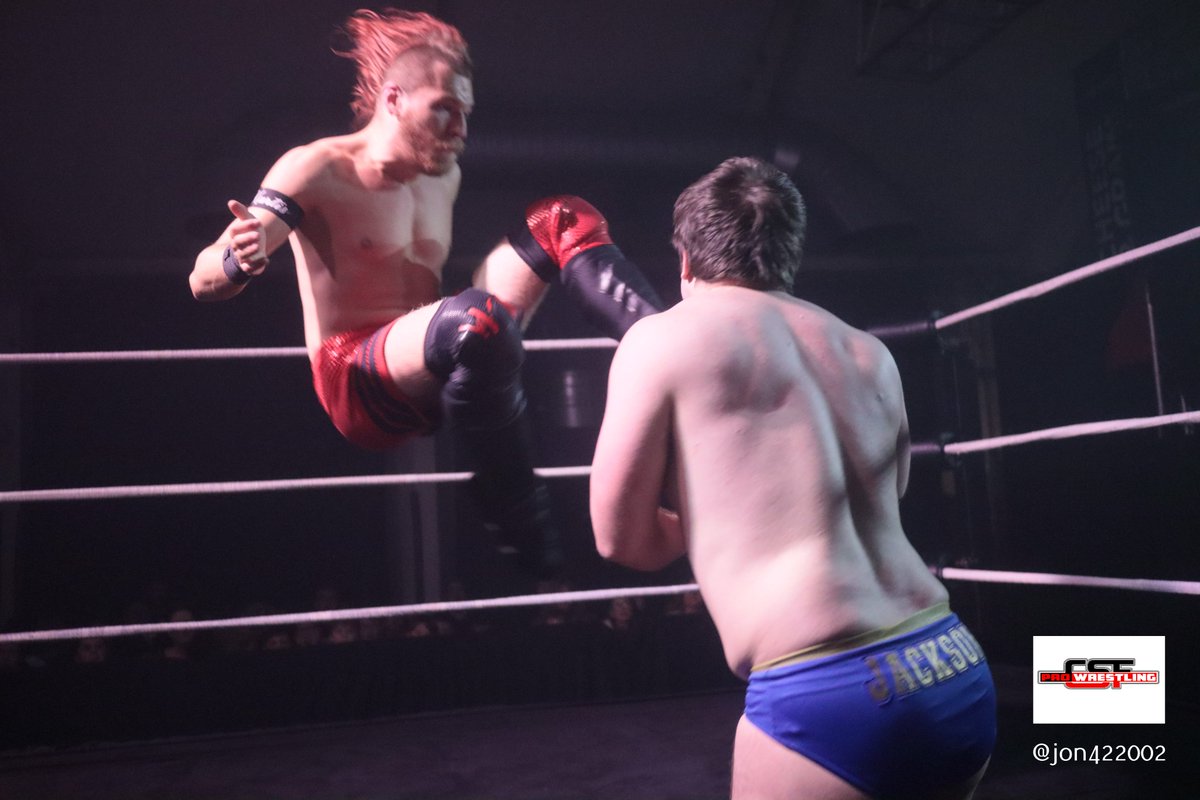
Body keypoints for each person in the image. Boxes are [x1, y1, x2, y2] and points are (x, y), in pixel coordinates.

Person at [189, 9, 661, 573]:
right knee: (477, 323)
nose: (460, 130)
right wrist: (238, 260)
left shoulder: (443, 172)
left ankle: (674, 344)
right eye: (444, 111)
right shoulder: (315, 168)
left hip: (444, 362)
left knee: (562, 218)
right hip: (360, 380)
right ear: (393, 101)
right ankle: (516, 511)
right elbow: (202, 279)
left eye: (465, 113)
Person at [589, 157, 995, 799]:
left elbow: (621, 541)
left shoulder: (660, 340)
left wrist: (707, 515)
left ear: (686, 261)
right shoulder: (869, 351)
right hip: (950, 660)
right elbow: (888, 499)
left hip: (827, 686)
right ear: (787, 256)